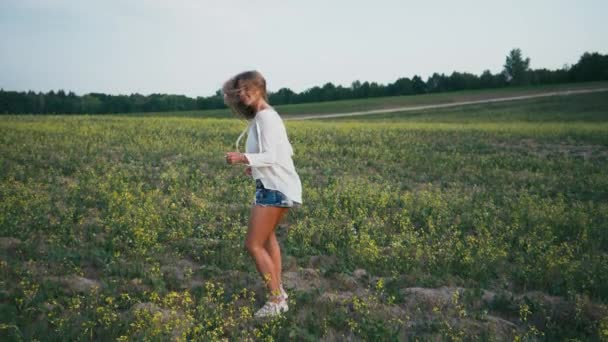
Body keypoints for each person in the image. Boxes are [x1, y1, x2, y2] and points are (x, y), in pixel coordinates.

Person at [223, 70, 303, 318]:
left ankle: (276, 299)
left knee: (253, 244)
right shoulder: (263, 117)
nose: (243, 95)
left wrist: (242, 157)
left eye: (248, 89)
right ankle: (280, 294)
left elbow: (273, 155)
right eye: (240, 91)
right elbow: (284, 150)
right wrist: (254, 166)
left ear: (260, 88)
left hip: (274, 190)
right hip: (275, 187)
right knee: (268, 241)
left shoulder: (266, 117)